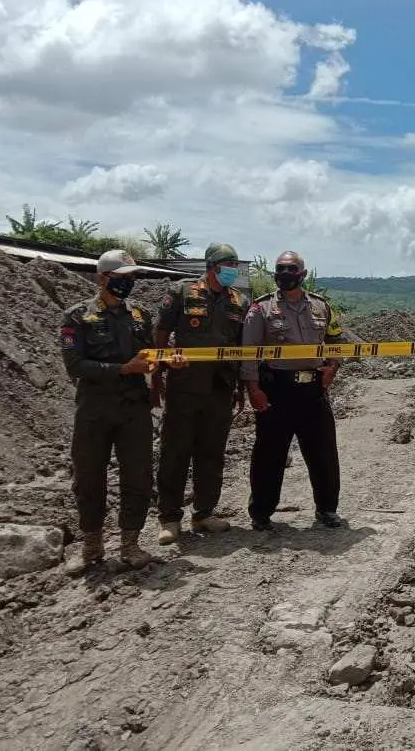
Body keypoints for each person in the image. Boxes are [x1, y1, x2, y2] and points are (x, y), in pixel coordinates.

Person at [60, 250, 185, 575]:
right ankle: (92, 546)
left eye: (131, 279)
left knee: (138, 477)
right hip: (94, 410)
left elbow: (149, 356)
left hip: (134, 410)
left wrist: (169, 360)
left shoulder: (140, 316)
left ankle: (130, 544)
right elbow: (75, 365)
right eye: (121, 279)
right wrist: (122, 369)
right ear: (103, 278)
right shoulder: (77, 317)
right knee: (89, 478)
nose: (128, 284)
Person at [241, 251, 357, 530]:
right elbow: (247, 353)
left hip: (313, 390)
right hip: (276, 390)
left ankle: (327, 510)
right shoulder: (261, 309)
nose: (284, 274)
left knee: (323, 453)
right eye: (280, 269)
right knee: (270, 454)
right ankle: (261, 512)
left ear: (303, 274)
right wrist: (253, 389)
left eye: (291, 269)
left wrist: (333, 366)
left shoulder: (321, 307)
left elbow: (336, 340)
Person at [152, 243, 250, 545]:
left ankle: (204, 513)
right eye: (229, 264)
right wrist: (156, 375)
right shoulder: (182, 292)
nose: (234, 269)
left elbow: (244, 348)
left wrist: (241, 388)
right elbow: (161, 333)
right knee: (175, 452)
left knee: (212, 453)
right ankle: (169, 518)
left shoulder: (240, 301)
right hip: (185, 387)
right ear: (212, 266)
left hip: (220, 388)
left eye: (235, 263)